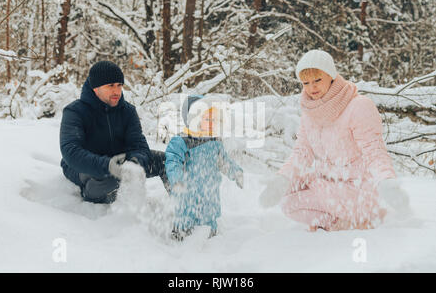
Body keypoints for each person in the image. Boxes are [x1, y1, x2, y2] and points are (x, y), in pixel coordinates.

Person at [259, 49, 409, 231]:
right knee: (288, 196)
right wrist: (282, 180)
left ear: (330, 75)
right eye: (305, 83)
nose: (312, 87)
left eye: (317, 80)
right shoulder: (310, 113)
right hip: (329, 183)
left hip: (358, 190)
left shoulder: (358, 106)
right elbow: (302, 152)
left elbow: (373, 150)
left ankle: (362, 216)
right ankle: (338, 222)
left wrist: (385, 181)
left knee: (301, 196)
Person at [60, 60, 168, 204]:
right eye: (110, 86)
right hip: (87, 166)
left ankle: (182, 210)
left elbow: (139, 145)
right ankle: (95, 195)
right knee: (109, 180)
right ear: (95, 88)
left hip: (121, 161)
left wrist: (135, 162)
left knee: (169, 161)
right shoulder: (75, 111)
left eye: (119, 85)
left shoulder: (128, 111)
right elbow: (71, 151)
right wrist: (107, 166)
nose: (116, 91)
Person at [165, 95, 244, 240]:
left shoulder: (215, 141)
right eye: (207, 119)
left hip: (210, 193)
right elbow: (172, 161)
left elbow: (224, 162)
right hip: (187, 191)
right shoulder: (182, 140)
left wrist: (236, 172)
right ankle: (180, 235)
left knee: (209, 217)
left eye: (214, 120)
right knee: (185, 216)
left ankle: (210, 238)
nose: (211, 124)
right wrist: (176, 179)